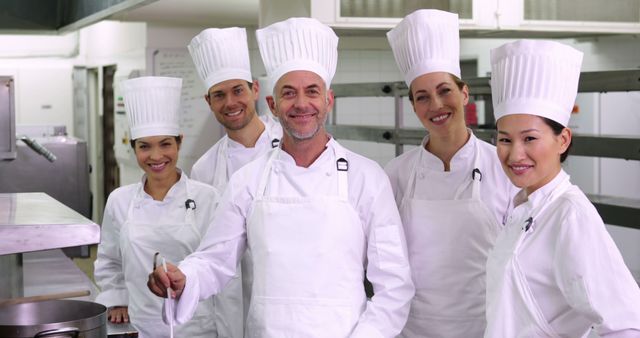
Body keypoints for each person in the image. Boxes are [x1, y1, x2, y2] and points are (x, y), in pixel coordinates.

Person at [148, 17, 415, 338]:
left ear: (328, 100)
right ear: (273, 105)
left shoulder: (367, 177)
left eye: (312, 91)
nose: (301, 103)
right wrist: (185, 276)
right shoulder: (248, 181)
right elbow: (214, 260)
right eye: (289, 93)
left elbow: (394, 284)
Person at [485, 39, 640, 337]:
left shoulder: (570, 215)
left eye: (530, 138)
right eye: (505, 140)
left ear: (563, 140)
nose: (515, 154)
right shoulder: (522, 207)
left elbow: (627, 324)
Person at [384, 9, 516, 337]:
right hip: (412, 329)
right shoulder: (396, 175)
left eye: (445, 91)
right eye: (423, 97)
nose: (436, 105)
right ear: (414, 107)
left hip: (485, 327)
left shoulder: (503, 167)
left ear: (464, 93)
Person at [94, 76, 220, 338]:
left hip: (198, 326)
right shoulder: (119, 200)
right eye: (144, 147)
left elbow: (218, 263)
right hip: (140, 325)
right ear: (134, 148)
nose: (155, 156)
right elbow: (109, 260)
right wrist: (117, 298)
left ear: (179, 142)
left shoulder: (208, 198)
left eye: (165, 144)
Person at [187, 26, 283, 338]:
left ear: (255, 89)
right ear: (208, 100)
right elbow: (206, 247)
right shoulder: (203, 169)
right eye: (219, 94)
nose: (230, 102)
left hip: (285, 292)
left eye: (238, 90)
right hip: (230, 299)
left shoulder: (289, 147)